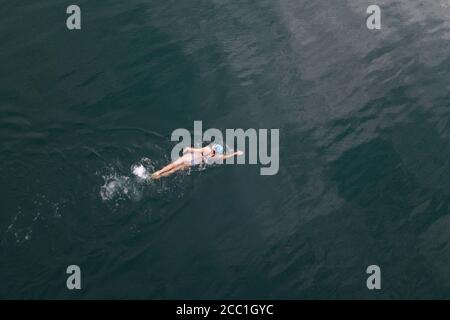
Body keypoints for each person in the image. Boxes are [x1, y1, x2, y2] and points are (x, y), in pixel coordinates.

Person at [151, 144, 243, 179]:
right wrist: (236, 153)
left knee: (174, 164)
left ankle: (159, 172)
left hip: (191, 157)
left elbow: (196, 150)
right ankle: (160, 176)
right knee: (175, 169)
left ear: (214, 148)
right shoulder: (217, 157)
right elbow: (226, 157)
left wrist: (188, 149)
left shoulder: (207, 149)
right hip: (194, 162)